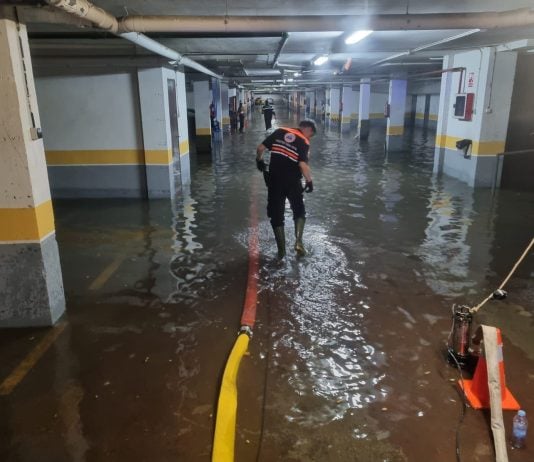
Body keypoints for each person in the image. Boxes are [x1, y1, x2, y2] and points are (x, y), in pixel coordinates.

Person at [256, 119, 316, 258]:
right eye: (311, 135)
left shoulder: (279, 131)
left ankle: (281, 252)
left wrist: (259, 161)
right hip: (293, 182)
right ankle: (298, 242)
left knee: (276, 215)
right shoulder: (303, 141)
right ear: (309, 130)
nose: (309, 138)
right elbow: (302, 164)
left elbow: (260, 148)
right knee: (299, 210)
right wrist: (309, 181)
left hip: (274, 181)